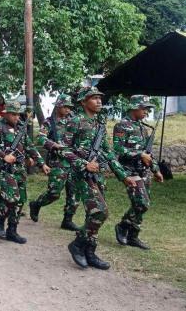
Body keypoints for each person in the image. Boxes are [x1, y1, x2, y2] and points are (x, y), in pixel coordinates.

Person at [61, 87, 136, 270]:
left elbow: (109, 153)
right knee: (101, 211)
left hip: (97, 175)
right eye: (94, 98)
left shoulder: (99, 123)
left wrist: (123, 176)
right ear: (83, 102)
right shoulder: (75, 121)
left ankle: (90, 251)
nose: (99, 101)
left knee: (92, 214)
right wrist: (82, 164)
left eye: (100, 98)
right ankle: (78, 244)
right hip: (81, 175)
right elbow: (63, 148)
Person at [0, 100, 50, 244]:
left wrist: (42, 164)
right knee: (12, 197)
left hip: (20, 169)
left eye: (18, 114)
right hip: (5, 169)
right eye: (13, 114)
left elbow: (29, 146)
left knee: (20, 200)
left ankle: (12, 230)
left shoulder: (21, 128)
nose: (17, 117)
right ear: (6, 113)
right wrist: (4, 156)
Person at [113, 95, 164, 250]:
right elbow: (118, 149)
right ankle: (122, 226)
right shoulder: (122, 126)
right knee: (142, 202)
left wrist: (156, 170)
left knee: (142, 205)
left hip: (143, 171)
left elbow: (148, 154)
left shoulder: (143, 128)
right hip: (129, 170)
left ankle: (133, 236)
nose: (146, 112)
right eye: (144, 108)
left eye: (148, 109)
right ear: (134, 107)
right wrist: (139, 155)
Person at [29, 94, 79, 231]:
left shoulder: (75, 121)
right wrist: (53, 145)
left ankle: (67, 220)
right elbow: (41, 138)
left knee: (74, 193)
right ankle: (36, 204)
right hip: (58, 162)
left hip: (74, 162)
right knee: (54, 193)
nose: (68, 109)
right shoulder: (49, 122)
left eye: (69, 107)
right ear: (58, 106)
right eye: (65, 107)